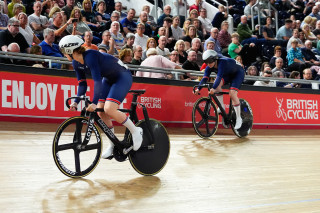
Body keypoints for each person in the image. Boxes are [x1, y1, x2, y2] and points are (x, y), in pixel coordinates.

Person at [59, 35, 143, 159]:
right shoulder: (75, 63)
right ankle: (112, 144)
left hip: (122, 76)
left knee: (109, 109)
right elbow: (82, 84)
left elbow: (97, 82)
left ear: (70, 51)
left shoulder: (90, 56)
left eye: (63, 51)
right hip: (108, 79)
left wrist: (93, 102)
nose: (63, 54)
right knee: (101, 112)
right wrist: (76, 102)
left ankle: (136, 131)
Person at [193, 50, 244, 129]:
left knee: (232, 93)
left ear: (215, 59)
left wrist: (213, 88)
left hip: (238, 73)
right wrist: (198, 89)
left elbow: (219, 77)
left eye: (210, 62)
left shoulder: (222, 62)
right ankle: (222, 107)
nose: (208, 64)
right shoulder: (208, 67)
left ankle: (238, 118)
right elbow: (204, 79)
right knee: (216, 86)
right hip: (227, 74)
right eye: (206, 62)